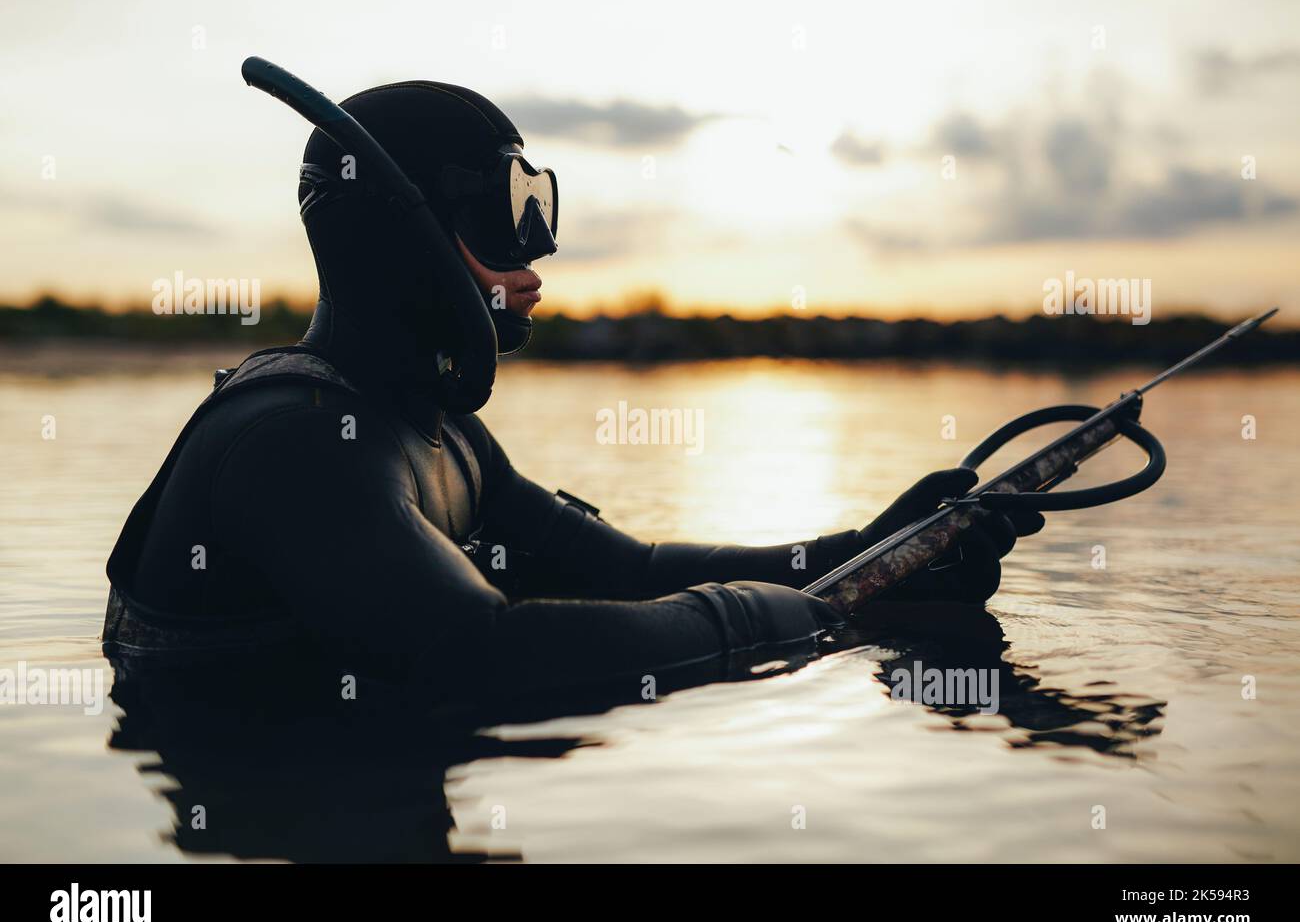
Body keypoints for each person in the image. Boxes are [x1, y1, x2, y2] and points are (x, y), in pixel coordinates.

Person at [103, 80, 1043, 699]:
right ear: (401, 233)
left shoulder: (443, 440)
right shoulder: (298, 445)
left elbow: (629, 575)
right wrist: (820, 618)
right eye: (508, 220)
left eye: (539, 212)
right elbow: (486, 659)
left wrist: (864, 547)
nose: (536, 266)